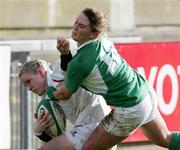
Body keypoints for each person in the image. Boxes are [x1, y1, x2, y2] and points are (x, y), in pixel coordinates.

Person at [53, 7, 180, 150]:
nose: (75, 28)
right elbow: (76, 69)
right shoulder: (103, 40)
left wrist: (49, 92)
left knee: (88, 148)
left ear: (94, 34)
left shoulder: (80, 62)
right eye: (76, 22)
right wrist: (65, 54)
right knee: (166, 139)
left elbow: (64, 94)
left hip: (131, 107)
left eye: (81, 26)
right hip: (144, 92)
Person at [18, 59, 117, 150]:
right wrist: (39, 131)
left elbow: (67, 64)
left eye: (28, 81)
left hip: (95, 124)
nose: (29, 88)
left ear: (41, 72)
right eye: (25, 85)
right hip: (93, 126)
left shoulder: (58, 76)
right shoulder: (47, 100)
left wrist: (65, 52)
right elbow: (53, 136)